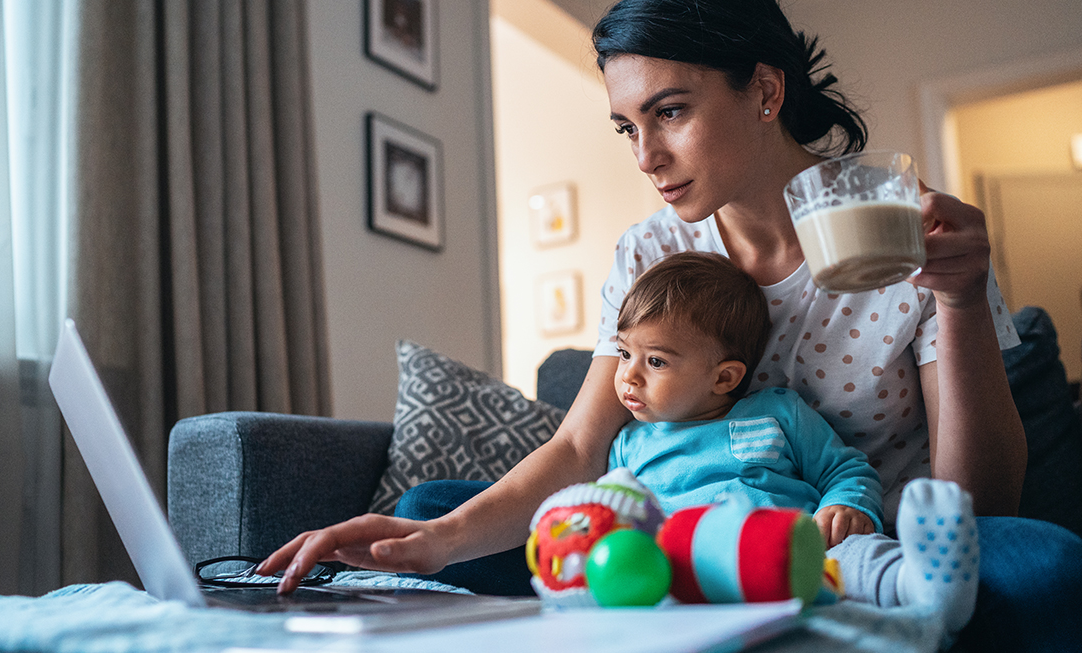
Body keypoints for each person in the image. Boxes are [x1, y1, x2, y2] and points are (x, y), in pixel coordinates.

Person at [259, 1, 1082, 649]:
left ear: (764, 91)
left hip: (865, 552)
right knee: (437, 505)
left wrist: (964, 300)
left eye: (670, 112)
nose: (644, 154)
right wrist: (433, 538)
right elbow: (581, 450)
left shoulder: (909, 226)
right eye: (627, 125)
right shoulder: (652, 250)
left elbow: (979, 502)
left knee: (1043, 562)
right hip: (678, 537)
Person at [603, 251, 976, 642]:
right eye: (625, 353)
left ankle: (923, 587)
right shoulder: (629, 446)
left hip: (801, 553)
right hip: (697, 572)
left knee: (855, 557)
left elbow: (844, 469)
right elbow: (619, 514)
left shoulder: (777, 412)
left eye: (656, 362)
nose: (629, 375)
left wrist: (846, 506)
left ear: (725, 377)